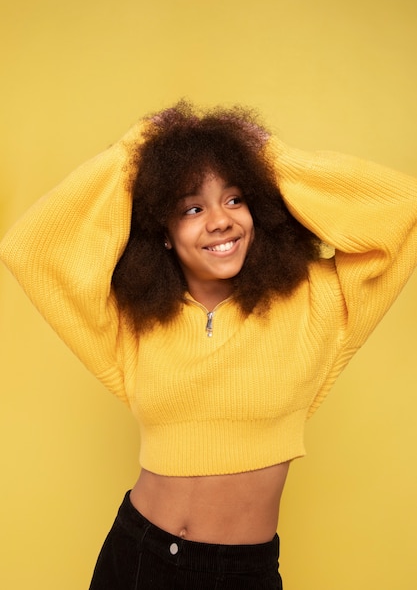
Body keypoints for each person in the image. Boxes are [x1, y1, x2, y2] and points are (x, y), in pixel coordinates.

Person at [1, 101, 416, 590]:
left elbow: (401, 208)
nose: (220, 220)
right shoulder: (133, 322)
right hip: (136, 555)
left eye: (236, 199)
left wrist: (266, 156)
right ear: (163, 233)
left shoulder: (318, 303)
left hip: (241, 573)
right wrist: (137, 152)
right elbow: (28, 249)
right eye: (192, 208)